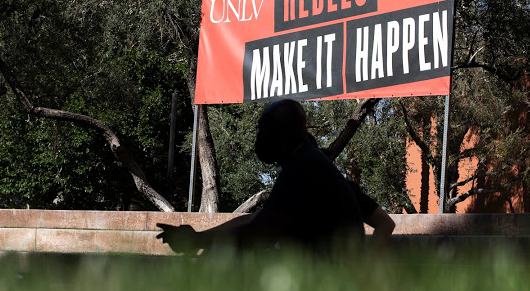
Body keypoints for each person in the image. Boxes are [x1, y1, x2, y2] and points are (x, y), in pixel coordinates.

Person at [157, 99, 395, 256]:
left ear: (282, 133)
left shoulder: (303, 170)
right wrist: (198, 237)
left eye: (263, 129)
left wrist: (197, 240)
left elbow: (258, 232)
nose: (258, 137)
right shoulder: (306, 163)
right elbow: (255, 220)